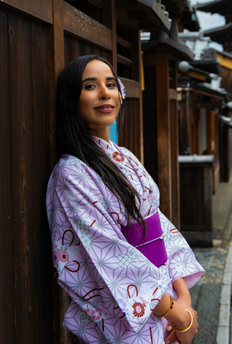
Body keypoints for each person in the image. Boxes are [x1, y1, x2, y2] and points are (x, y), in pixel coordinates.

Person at [46, 56, 205, 343]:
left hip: (166, 298)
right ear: (72, 99)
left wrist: (183, 297)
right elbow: (110, 257)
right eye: (90, 86)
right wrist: (177, 315)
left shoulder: (125, 157)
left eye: (110, 84)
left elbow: (159, 228)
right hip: (130, 311)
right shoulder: (71, 174)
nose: (105, 93)